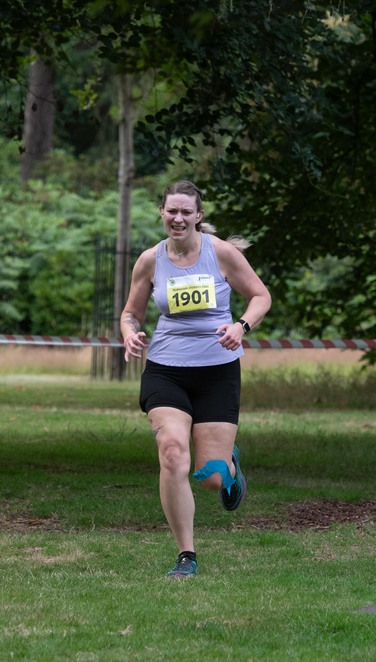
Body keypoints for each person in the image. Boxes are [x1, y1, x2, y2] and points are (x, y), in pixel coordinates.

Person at [120, 179, 272, 577]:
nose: (178, 218)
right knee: (172, 452)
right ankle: (186, 554)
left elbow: (261, 296)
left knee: (212, 478)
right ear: (162, 213)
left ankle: (231, 470)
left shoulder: (220, 253)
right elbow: (131, 312)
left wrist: (240, 326)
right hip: (166, 369)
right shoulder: (150, 260)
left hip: (217, 371)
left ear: (198, 216)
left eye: (186, 212)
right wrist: (129, 332)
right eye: (171, 210)